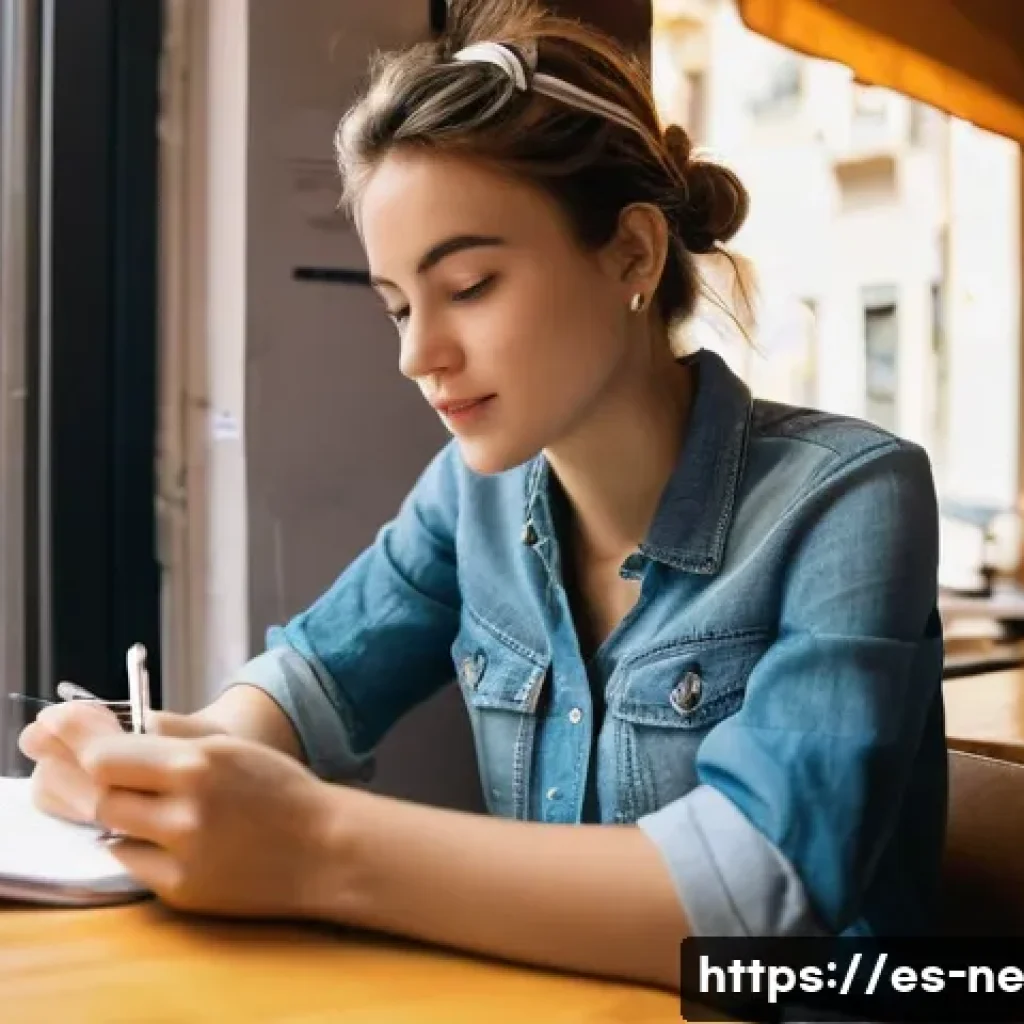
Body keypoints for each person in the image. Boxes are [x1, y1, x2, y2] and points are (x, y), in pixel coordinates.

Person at [17, 0, 945, 993]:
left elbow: (762, 897)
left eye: (466, 286)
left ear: (631, 254)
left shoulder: (849, 499)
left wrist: (311, 841)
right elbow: (308, 683)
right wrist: (164, 762)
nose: (419, 356)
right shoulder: (474, 496)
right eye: (398, 307)